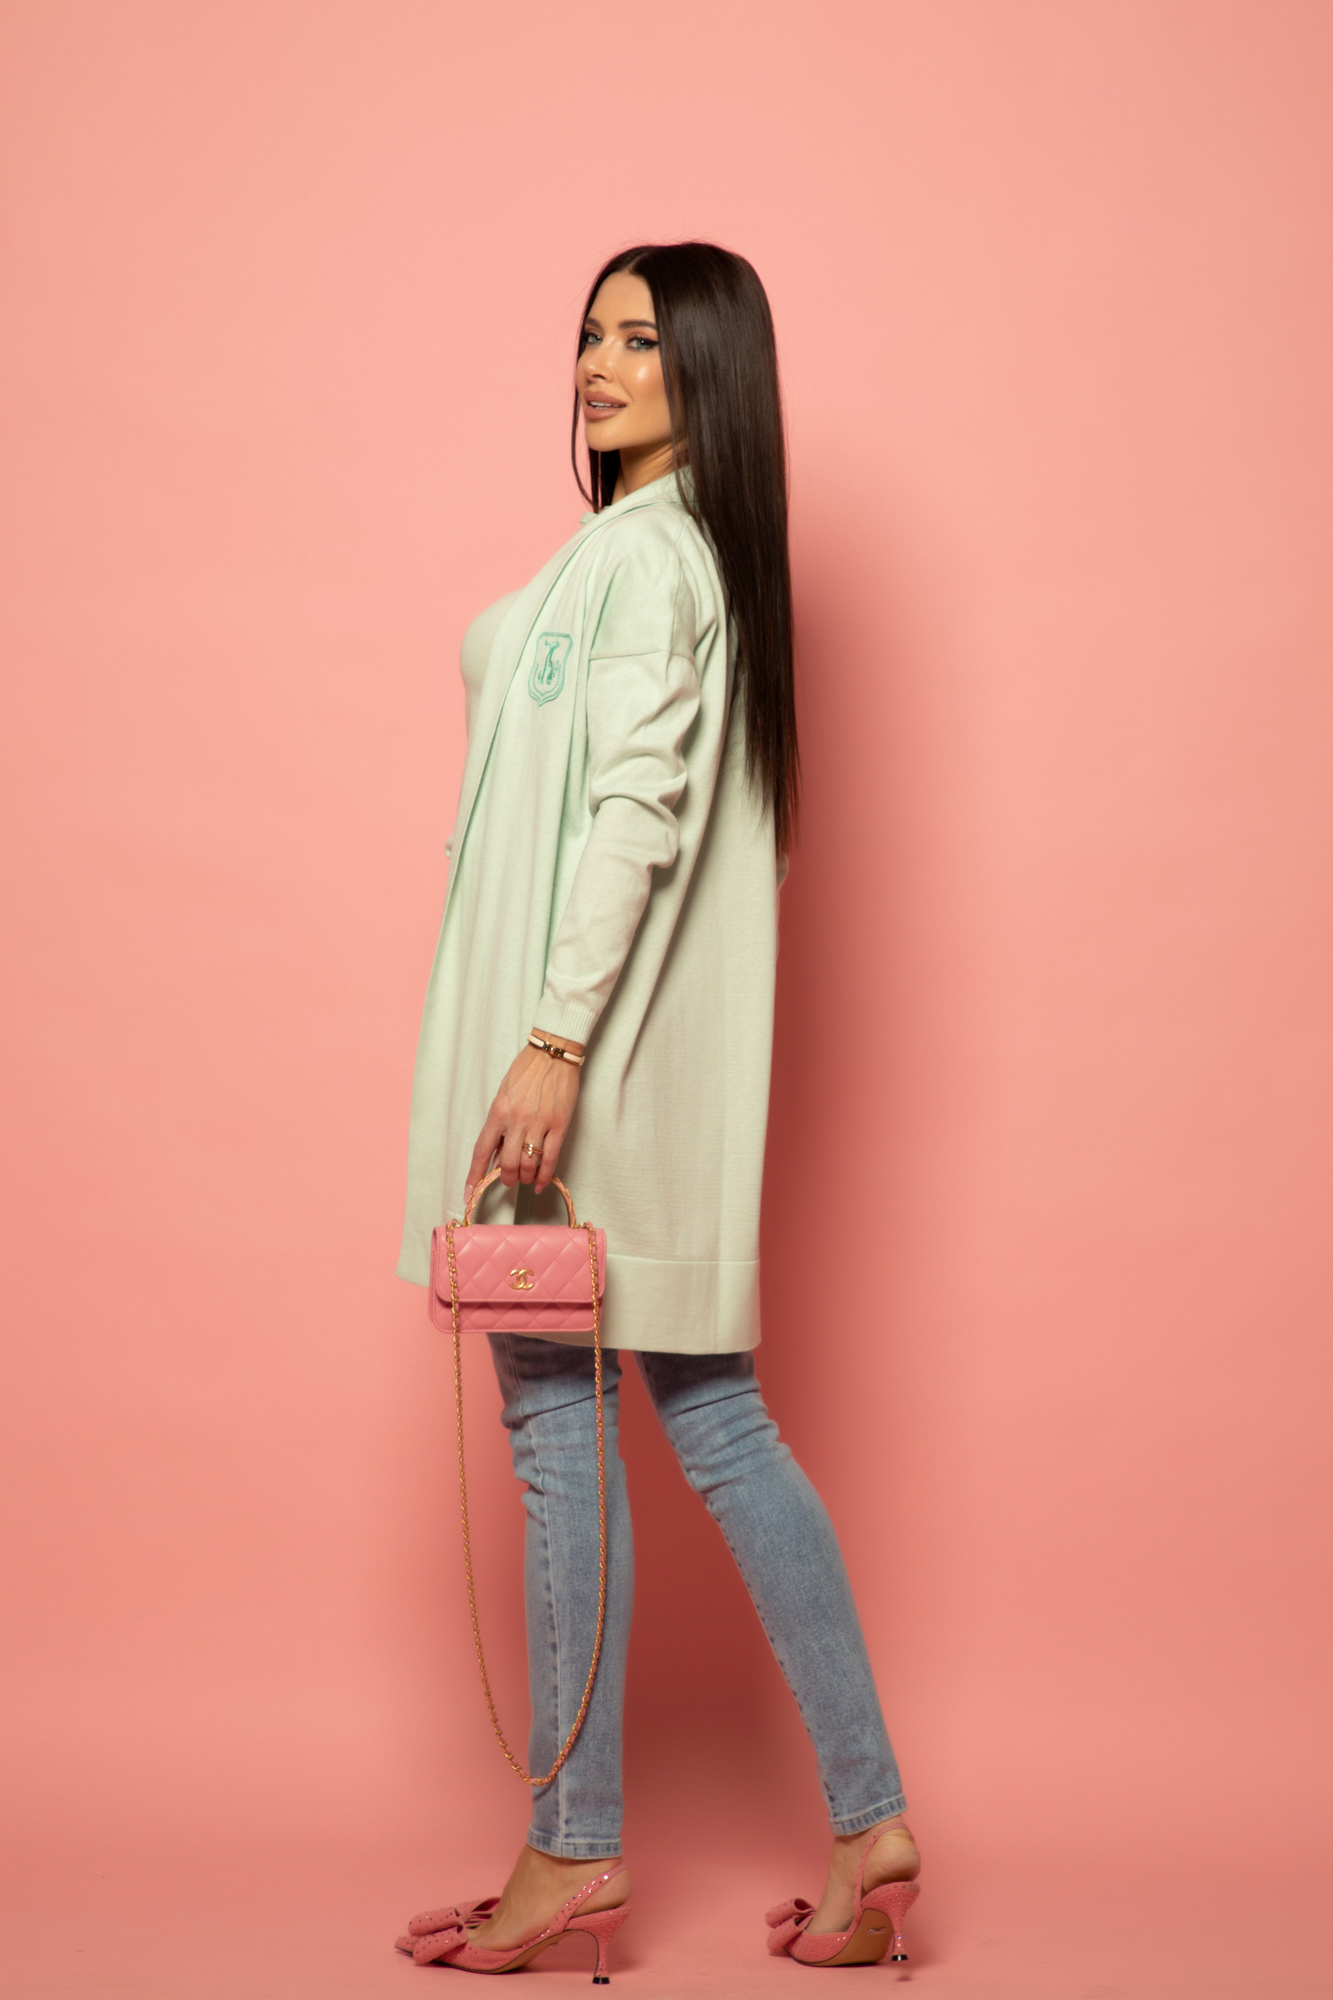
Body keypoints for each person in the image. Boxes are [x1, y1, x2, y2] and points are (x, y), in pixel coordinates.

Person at [393, 242, 921, 1977]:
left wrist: (551, 1040)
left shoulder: (643, 557)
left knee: (565, 1438)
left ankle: (573, 1851)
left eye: (642, 336)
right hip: (631, 1074)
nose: (599, 363)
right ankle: (866, 1822)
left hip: (579, 1079)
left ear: (712, 369)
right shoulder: (681, 555)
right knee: (715, 1423)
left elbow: (634, 809)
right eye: (589, 333)